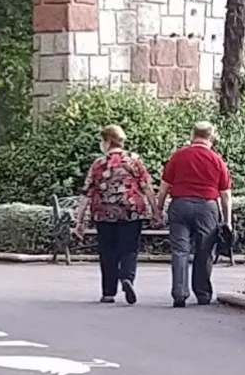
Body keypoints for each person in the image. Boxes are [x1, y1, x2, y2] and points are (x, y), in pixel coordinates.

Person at [74, 125, 158, 305]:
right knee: (129, 248)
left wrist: (79, 220)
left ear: (107, 141)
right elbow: (147, 187)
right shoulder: (134, 161)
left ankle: (108, 292)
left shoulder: (98, 164)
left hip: (104, 213)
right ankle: (127, 277)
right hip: (131, 211)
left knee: (107, 251)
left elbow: (87, 193)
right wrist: (156, 211)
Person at [156, 121, 233, 308]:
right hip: (207, 207)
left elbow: (164, 186)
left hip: (180, 205)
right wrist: (227, 220)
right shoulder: (217, 160)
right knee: (204, 250)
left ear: (193, 135)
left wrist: (158, 209)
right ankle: (203, 293)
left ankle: (179, 294)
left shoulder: (178, 156)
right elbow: (225, 194)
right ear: (211, 137)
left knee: (180, 251)